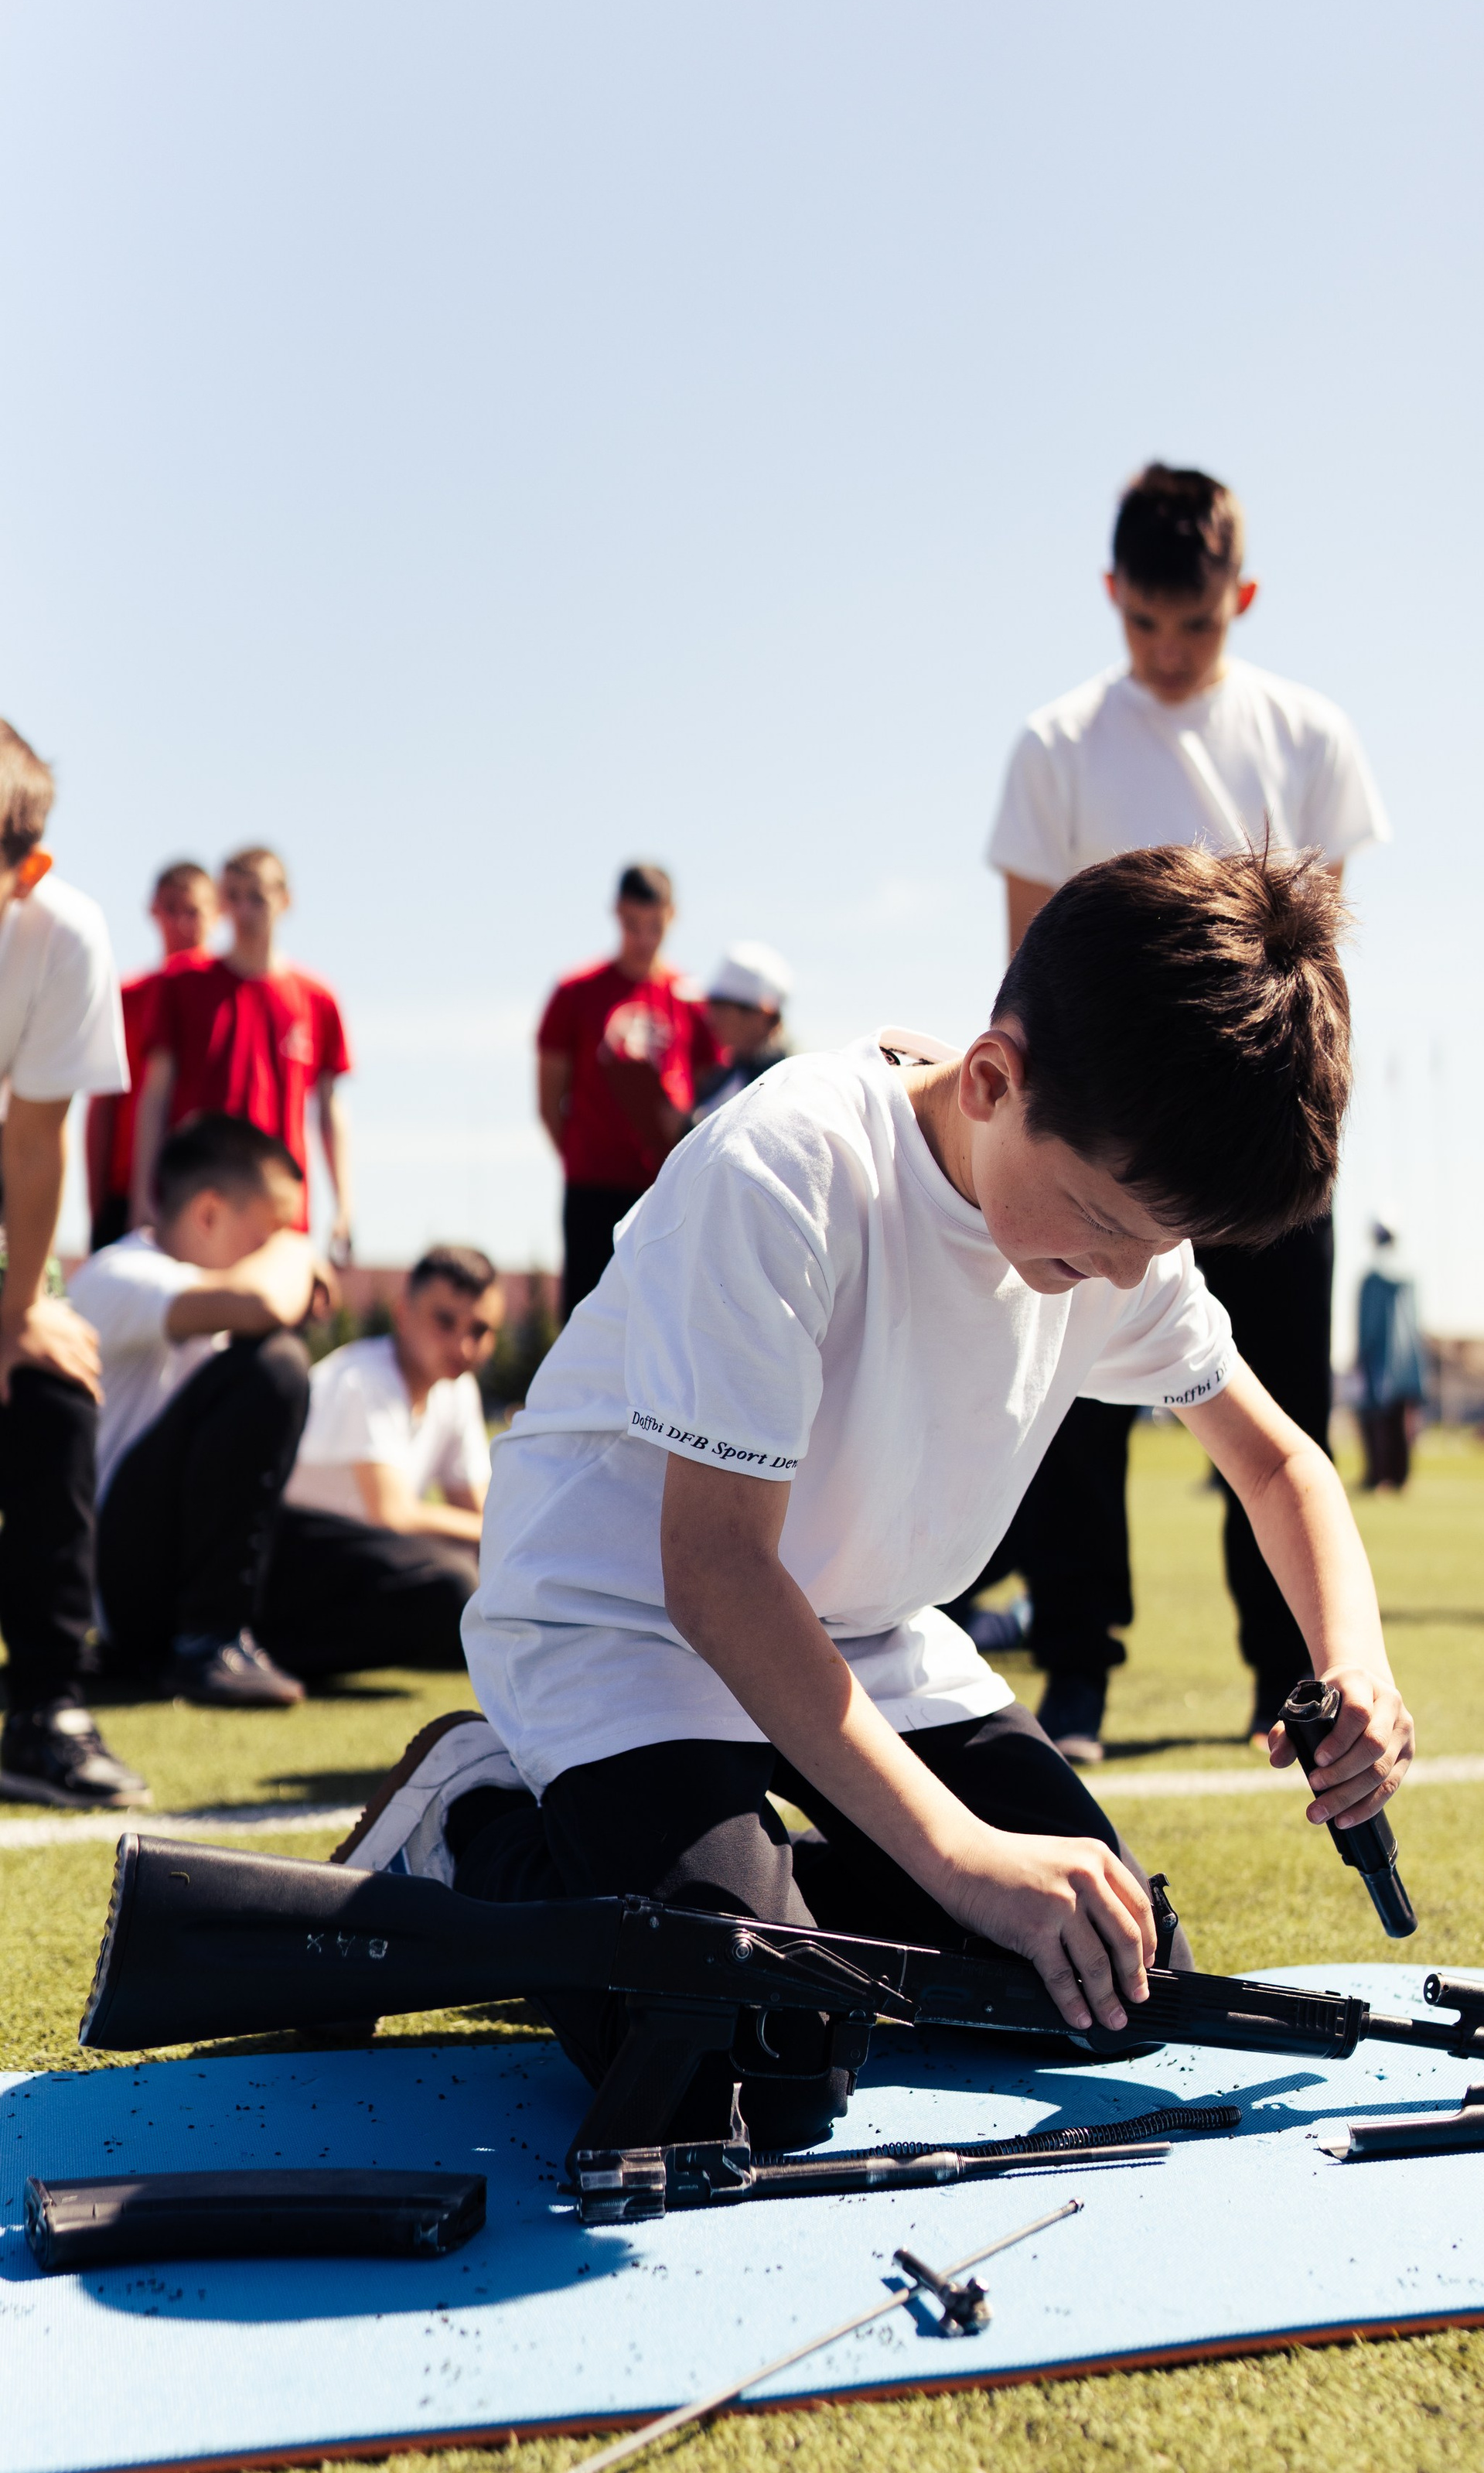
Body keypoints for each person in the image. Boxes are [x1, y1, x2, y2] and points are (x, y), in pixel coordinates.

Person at [332, 845, 1412, 2150]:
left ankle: (737, 1892)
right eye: (1106, 1231)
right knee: (742, 2064)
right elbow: (719, 1573)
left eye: (1161, 1246)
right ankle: (476, 1816)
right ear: (996, 1077)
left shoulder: (1112, 1231)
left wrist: (1355, 1668)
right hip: (630, 1624)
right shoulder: (784, 1170)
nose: (1129, 1281)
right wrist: (962, 1859)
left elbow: (1279, 1462)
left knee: (1109, 1980)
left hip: (866, 1634)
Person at [984, 462, 1391, 1756]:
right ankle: (1078, 1665)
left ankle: (1295, 1677)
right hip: (1104, 1134)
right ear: (1111, 596)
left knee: (1272, 1407)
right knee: (1068, 1403)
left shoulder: (1310, 738)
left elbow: (1321, 956)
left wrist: (1306, 1128)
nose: (1167, 652)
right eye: (1144, 624)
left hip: (1257, 1128)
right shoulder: (1057, 746)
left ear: (1242, 596)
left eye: (1196, 624)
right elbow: (1028, 970)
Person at [0, 722, 148, 1809]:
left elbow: (34, 1136)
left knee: (52, 1375)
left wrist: (17, 1313)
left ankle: (44, 1707)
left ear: (27, 870)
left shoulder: (62, 940)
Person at [69, 1114, 321, 1706]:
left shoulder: (205, 1297)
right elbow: (263, 1301)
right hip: (120, 1577)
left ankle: (235, 1637)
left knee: (434, 1585)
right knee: (275, 1362)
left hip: (192, 1554)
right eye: (270, 1234)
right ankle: (206, 1645)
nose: (279, 1252)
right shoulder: (121, 1272)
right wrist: (300, 1251)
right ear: (208, 1214)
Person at [264, 1245, 500, 1679]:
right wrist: (506, 1532)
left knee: (487, 1597)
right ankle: (268, 1648)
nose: (464, 1346)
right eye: (445, 1321)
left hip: (357, 1563)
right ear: (402, 1313)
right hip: (282, 1554)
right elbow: (393, 1514)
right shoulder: (364, 1378)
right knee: (456, 1587)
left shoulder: (457, 1390)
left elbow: (477, 1516)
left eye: (481, 1329)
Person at [129, 848, 354, 1255]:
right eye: (232, 896)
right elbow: (154, 1096)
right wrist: (143, 1195)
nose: (244, 910)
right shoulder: (182, 984)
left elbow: (329, 1111)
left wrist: (344, 1207)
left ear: (285, 901)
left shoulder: (316, 999)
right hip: (197, 1205)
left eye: (257, 897)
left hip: (279, 1216)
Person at [537, 864, 721, 1319]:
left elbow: (713, 1097)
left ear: (672, 917)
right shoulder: (575, 992)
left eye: (654, 925)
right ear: (616, 914)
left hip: (665, 1186)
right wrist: (582, 1152)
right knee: (588, 1315)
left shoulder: (693, 1000)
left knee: (663, 1318)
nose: (643, 938)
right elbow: (549, 1098)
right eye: (632, 925)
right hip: (592, 1186)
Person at [85, 861, 217, 1250]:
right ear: (152, 912)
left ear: (216, 913)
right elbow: (102, 1105)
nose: (180, 922)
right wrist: (98, 1205)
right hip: (129, 1190)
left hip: (205, 1186)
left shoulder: (230, 995)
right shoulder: (127, 998)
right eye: (170, 909)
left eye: (192, 910)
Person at [1355, 1223, 1424, 1492]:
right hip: (1408, 1361)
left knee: (1374, 1418)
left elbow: (1368, 1324)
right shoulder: (1409, 1277)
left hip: (1379, 1361)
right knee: (1401, 1421)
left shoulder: (1372, 1278)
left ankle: (1378, 1475)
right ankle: (1400, 1477)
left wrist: (1362, 1354)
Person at [692, 943, 792, 1123]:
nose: (711, 1016)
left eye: (722, 1005)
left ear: (763, 1015)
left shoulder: (788, 1083)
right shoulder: (725, 1074)